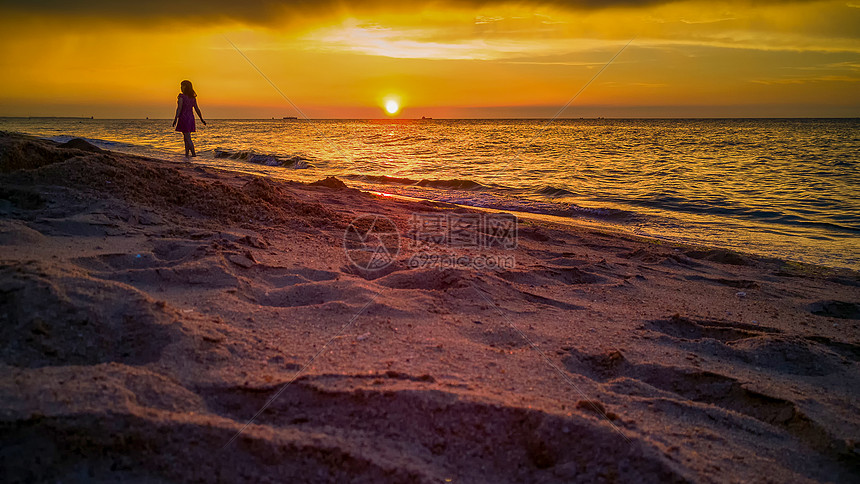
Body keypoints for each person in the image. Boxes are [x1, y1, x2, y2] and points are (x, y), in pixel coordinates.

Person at [172, 80, 206, 158]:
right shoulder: (192, 97)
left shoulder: (181, 96)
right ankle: (187, 155)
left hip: (184, 118)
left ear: (186, 87)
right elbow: (197, 109)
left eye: (182, 85)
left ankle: (194, 154)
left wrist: (175, 119)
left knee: (187, 137)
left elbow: (179, 108)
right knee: (186, 137)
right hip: (190, 118)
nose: (181, 87)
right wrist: (201, 119)